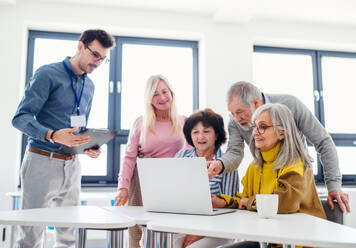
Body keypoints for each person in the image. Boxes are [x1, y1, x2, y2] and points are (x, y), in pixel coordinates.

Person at [12, 29, 115, 248]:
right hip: (41, 160)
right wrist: (51, 135)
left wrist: (88, 146)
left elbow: (79, 127)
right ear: (80, 46)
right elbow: (20, 118)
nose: (98, 62)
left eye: (103, 59)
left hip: (73, 165)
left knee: (69, 235)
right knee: (31, 234)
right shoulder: (47, 74)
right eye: (95, 55)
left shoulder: (90, 86)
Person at [208, 81, 350, 213]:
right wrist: (220, 166)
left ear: (256, 102)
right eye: (232, 113)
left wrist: (334, 185)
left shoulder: (290, 105)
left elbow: (323, 142)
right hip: (266, 183)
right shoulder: (254, 168)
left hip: (293, 185)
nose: (236, 119)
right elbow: (235, 152)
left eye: (239, 112)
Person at [212, 103, 326, 248]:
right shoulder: (255, 166)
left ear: (282, 132)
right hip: (268, 239)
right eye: (254, 127)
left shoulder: (296, 164)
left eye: (263, 127)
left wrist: (248, 202)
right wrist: (223, 202)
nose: (255, 133)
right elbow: (245, 199)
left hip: (299, 242)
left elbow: (285, 202)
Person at [114, 75, 187, 248]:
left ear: (171, 93)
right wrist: (123, 187)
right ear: (149, 99)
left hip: (173, 180)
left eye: (164, 92)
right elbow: (129, 157)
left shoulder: (184, 121)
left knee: (170, 229)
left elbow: (192, 154)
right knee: (138, 228)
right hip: (143, 180)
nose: (161, 98)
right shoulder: (141, 123)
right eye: (155, 94)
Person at [173, 108, 238, 248]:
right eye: (195, 132)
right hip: (184, 223)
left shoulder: (226, 163)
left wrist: (198, 232)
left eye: (206, 131)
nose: (200, 137)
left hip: (218, 228)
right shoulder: (181, 156)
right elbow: (173, 193)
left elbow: (230, 208)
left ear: (216, 135)